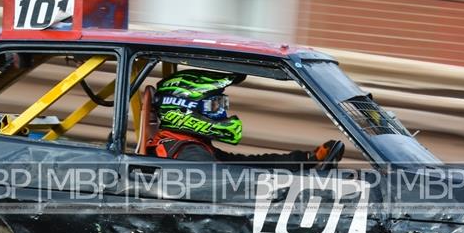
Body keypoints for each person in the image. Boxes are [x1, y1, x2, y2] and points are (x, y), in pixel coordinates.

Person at [145, 70, 343, 167]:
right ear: (184, 109)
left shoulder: (185, 144)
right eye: (214, 106)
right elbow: (232, 186)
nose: (221, 113)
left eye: (222, 105)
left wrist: (306, 159)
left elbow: (242, 163)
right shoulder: (190, 155)